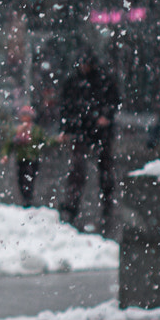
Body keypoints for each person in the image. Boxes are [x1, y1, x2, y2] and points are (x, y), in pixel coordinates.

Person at [58, 51, 121, 234]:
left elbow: (113, 101)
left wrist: (105, 116)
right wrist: (66, 129)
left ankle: (106, 201)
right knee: (79, 169)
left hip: (96, 130)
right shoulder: (77, 83)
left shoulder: (101, 81)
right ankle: (74, 203)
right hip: (82, 129)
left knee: (103, 166)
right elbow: (66, 106)